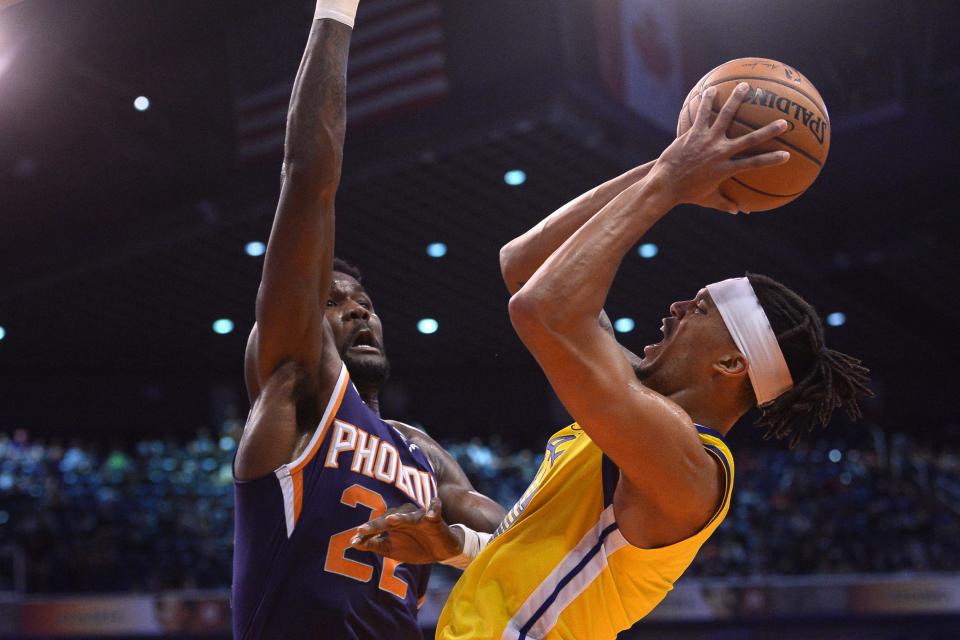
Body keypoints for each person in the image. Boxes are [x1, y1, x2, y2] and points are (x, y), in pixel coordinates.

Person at [351, 83, 872, 638]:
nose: (674, 306)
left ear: (729, 365)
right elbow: (524, 265)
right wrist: (673, 167)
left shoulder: (688, 465)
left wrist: (670, 183)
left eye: (698, 308)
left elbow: (539, 308)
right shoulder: (638, 411)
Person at [230, 3, 503, 639]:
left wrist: (455, 543)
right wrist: (336, 10)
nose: (358, 309)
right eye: (334, 300)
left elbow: (522, 540)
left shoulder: (426, 455)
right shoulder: (296, 390)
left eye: (367, 303)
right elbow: (308, 180)